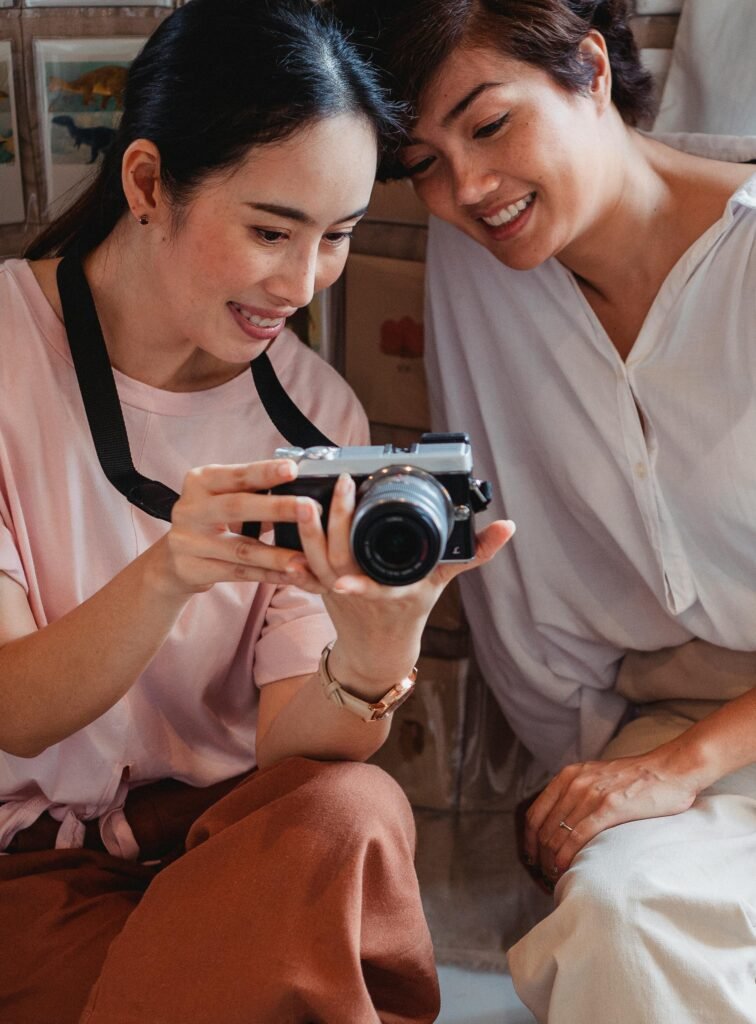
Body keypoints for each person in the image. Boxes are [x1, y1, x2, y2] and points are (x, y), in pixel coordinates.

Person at [0, 2, 514, 1022]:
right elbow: (17, 714)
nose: (302, 280)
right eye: (272, 231)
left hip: (227, 848)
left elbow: (292, 747)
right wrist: (171, 571)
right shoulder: (11, 352)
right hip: (36, 878)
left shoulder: (317, 411)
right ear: (149, 183)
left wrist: (373, 656)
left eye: (339, 238)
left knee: (354, 812)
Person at [330, 1, 756, 1021]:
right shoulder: (485, 270)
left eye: (487, 125)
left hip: (696, 751)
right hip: (662, 737)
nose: (467, 189)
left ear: (592, 70)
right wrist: (605, 773)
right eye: (423, 162)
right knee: (619, 915)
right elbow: (525, 594)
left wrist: (678, 765)